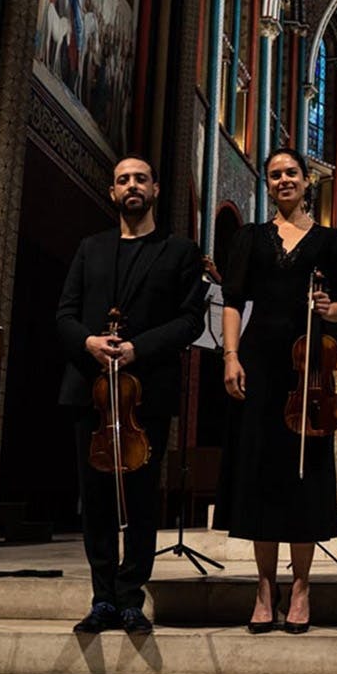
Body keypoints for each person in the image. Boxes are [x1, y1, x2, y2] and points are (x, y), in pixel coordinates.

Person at [56, 155, 207, 634]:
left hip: (146, 391)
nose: (132, 186)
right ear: (113, 192)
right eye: (123, 180)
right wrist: (89, 342)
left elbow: (190, 320)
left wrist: (138, 348)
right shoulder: (91, 248)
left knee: (141, 498)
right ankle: (102, 598)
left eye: (141, 178)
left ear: (156, 189)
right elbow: (65, 315)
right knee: (96, 498)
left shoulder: (180, 251)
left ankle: (131, 597)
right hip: (91, 390)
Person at [216, 147, 337, 634]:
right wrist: (230, 356)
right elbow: (233, 301)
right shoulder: (250, 238)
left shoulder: (333, 240)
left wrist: (329, 307)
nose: (283, 180)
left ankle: (300, 586)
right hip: (258, 362)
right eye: (275, 175)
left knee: (305, 477)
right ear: (268, 183)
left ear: (306, 180)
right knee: (260, 474)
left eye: (291, 172)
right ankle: (263, 587)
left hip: (309, 370)